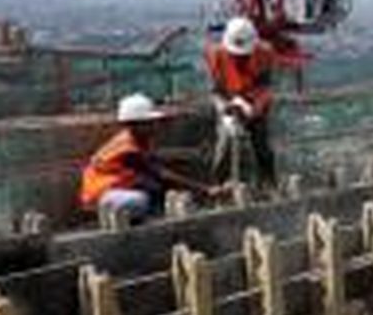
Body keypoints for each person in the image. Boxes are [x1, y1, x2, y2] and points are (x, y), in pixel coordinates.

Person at [79, 94, 218, 222]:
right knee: (142, 200)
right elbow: (161, 174)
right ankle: (118, 219)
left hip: (113, 192)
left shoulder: (136, 141)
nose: (154, 126)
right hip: (100, 197)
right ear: (134, 125)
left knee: (152, 188)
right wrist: (205, 189)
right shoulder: (128, 150)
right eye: (148, 123)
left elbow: (155, 166)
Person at [205, 16, 277, 186]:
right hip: (229, 103)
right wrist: (225, 110)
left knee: (262, 146)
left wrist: (255, 107)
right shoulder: (217, 55)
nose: (240, 58)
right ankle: (216, 186)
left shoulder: (264, 54)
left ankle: (268, 184)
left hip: (254, 103)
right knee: (224, 147)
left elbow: (265, 87)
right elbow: (215, 92)